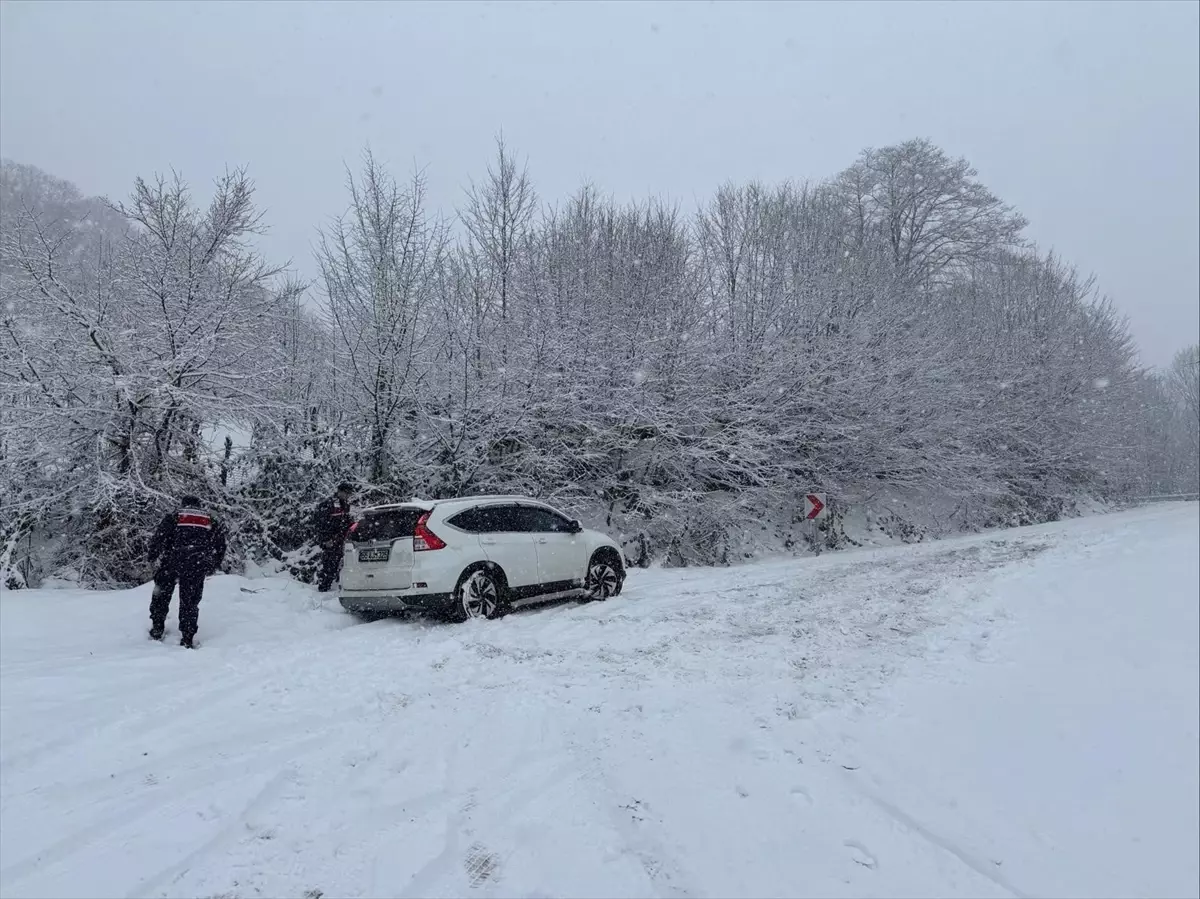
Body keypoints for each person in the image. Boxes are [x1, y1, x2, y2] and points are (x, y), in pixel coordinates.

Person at [147, 495, 227, 648]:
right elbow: (220, 545)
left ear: (183, 504)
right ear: (199, 505)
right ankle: (187, 637)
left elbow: (159, 538)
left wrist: (153, 555)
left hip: (171, 561)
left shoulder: (175, 516)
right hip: (195, 565)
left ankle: (157, 627)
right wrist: (212, 565)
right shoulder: (209, 520)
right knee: (190, 601)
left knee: (161, 593)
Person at [312, 482, 354, 592]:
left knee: (337, 564)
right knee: (329, 564)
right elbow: (320, 524)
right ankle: (323, 589)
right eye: (346, 493)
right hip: (330, 540)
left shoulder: (345, 504)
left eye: (349, 494)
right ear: (340, 491)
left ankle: (333, 586)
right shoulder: (328, 504)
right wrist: (326, 539)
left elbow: (346, 521)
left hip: (341, 539)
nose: (348, 496)